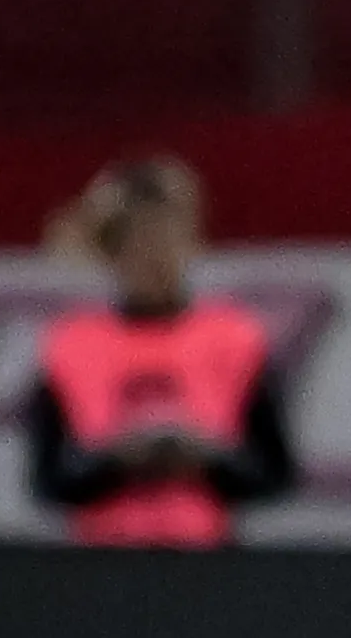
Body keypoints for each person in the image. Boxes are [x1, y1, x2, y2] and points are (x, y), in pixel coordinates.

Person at [25, 156, 295, 545]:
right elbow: (48, 480)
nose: (156, 259)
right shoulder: (72, 346)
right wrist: (117, 459)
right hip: (102, 558)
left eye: (168, 240)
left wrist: (204, 458)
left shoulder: (235, 340)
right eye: (141, 244)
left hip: (207, 554)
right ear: (113, 253)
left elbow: (273, 473)